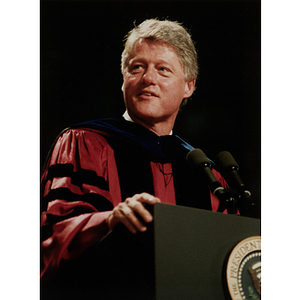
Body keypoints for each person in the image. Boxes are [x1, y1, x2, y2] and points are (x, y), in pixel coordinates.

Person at [40, 18, 229, 297]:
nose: (148, 78)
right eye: (137, 67)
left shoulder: (207, 175)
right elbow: (52, 237)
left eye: (163, 70)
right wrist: (108, 221)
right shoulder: (85, 143)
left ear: (188, 86)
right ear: (124, 80)